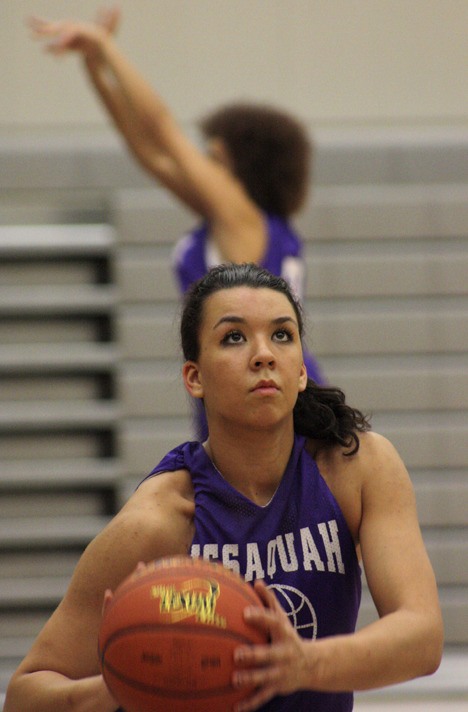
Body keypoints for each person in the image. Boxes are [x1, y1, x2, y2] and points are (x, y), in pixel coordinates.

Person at [5, 263, 443, 712]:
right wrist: (119, 685)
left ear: (301, 373)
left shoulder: (355, 468)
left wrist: (303, 663)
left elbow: (423, 637)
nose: (263, 355)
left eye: (282, 335)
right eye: (234, 337)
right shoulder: (159, 521)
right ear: (194, 378)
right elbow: (24, 697)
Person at [28, 7, 325, 439]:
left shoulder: (242, 218)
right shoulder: (230, 222)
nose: (198, 165)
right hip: (235, 392)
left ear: (241, 168)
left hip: (272, 400)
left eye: (212, 159)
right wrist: (94, 66)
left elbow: (164, 129)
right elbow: (148, 151)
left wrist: (108, 48)